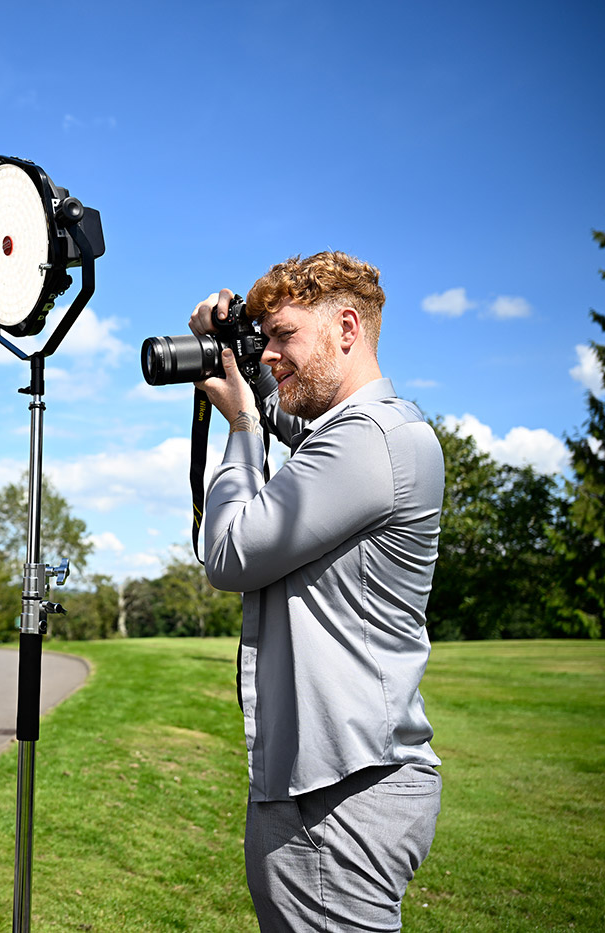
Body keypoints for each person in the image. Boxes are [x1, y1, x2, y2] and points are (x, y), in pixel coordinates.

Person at [191, 251, 443, 932]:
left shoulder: (370, 440)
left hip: (338, 794)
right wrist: (230, 345)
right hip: (336, 783)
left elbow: (228, 551)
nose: (270, 355)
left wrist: (241, 425)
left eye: (284, 336)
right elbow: (293, 416)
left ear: (348, 329)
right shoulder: (364, 433)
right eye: (263, 339)